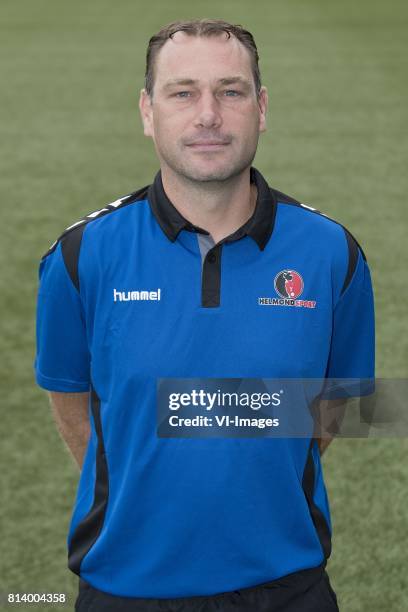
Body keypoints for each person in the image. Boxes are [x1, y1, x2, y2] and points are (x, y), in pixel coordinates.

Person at [34, 18, 375, 612]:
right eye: (183, 91)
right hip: (126, 586)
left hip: (287, 582)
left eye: (231, 91)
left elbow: (335, 407)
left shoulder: (332, 254)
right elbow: (73, 405)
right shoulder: (80, 255)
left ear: (261, 108)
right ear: (148, 111)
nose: (208, 114)